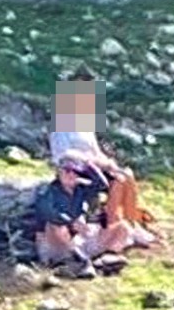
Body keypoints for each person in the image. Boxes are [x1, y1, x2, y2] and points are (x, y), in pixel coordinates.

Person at [49, 70, 156, 247]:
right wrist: (90, 160)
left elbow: (96, 150)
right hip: (75, 170)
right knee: (118, 180)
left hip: (94, 167)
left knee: (125, 173)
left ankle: (132, 224)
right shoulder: (61, 124)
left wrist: (108, 162)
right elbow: (62, 154)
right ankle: (114, 225)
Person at [34, 155, 133, 278]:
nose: (71, 174)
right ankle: (69, 263)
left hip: (80, 240)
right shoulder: (48, 191)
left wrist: (89, 164)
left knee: (123, 227)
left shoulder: (81, 188)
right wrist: (71, 222)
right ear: (59, 171)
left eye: (76, 171)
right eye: (67, 170)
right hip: (57, 246)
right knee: (55, 226)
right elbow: (48, 213)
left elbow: (102, 184)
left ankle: (103, 259)